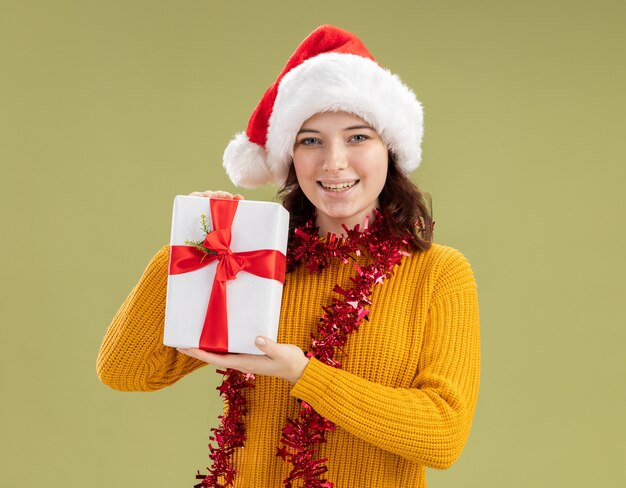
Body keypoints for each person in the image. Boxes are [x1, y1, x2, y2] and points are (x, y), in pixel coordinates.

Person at [97, 25, 480, 488]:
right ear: (290, 158)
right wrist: (189, 248)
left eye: (357, 138)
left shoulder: (439, 274)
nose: (334, 162)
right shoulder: (253, 265)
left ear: (391, 150)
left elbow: (442, 435)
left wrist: (302, 373)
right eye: (310, 140)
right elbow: (125, 370)